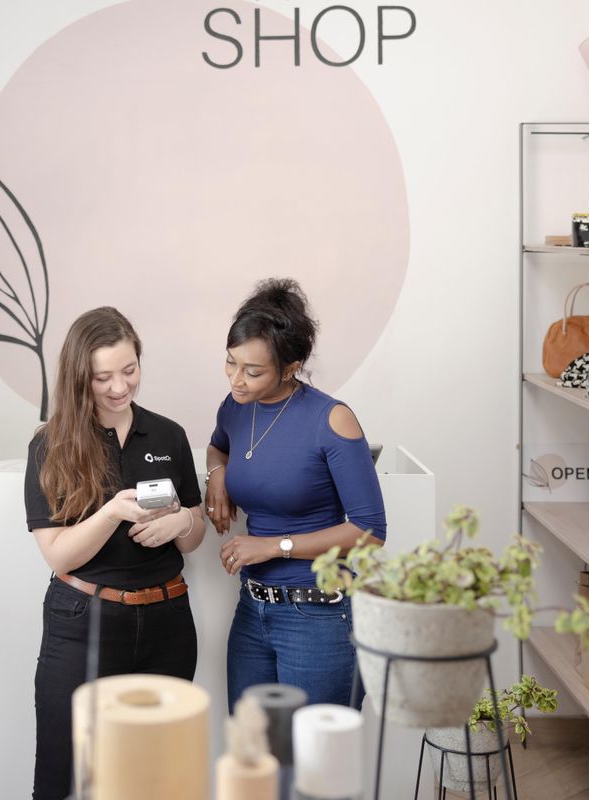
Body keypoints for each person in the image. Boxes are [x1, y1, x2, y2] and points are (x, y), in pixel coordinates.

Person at [24, 307, 205, 800]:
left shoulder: (168, 435)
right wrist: (112, 512)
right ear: (80, 375)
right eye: (103, 377)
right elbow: (58, 557)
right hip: (83, 622)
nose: (119, 387)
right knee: (66, 775)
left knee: (159, 777)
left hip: (167, 620)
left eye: (129, 371)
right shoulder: (51, 445)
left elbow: (195, 532)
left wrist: (184, 521)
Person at [205, 278, 386, 710]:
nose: (237, 379)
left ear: (291, 367)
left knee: (317, 767)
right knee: (254, 760)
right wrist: (217, 474)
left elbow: (370, 530)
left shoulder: (332, 420)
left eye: (253, 371)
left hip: (319, 616)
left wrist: (274, 547)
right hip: (252, 611)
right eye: (230, 363)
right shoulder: (234, 408)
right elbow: (218, 445)